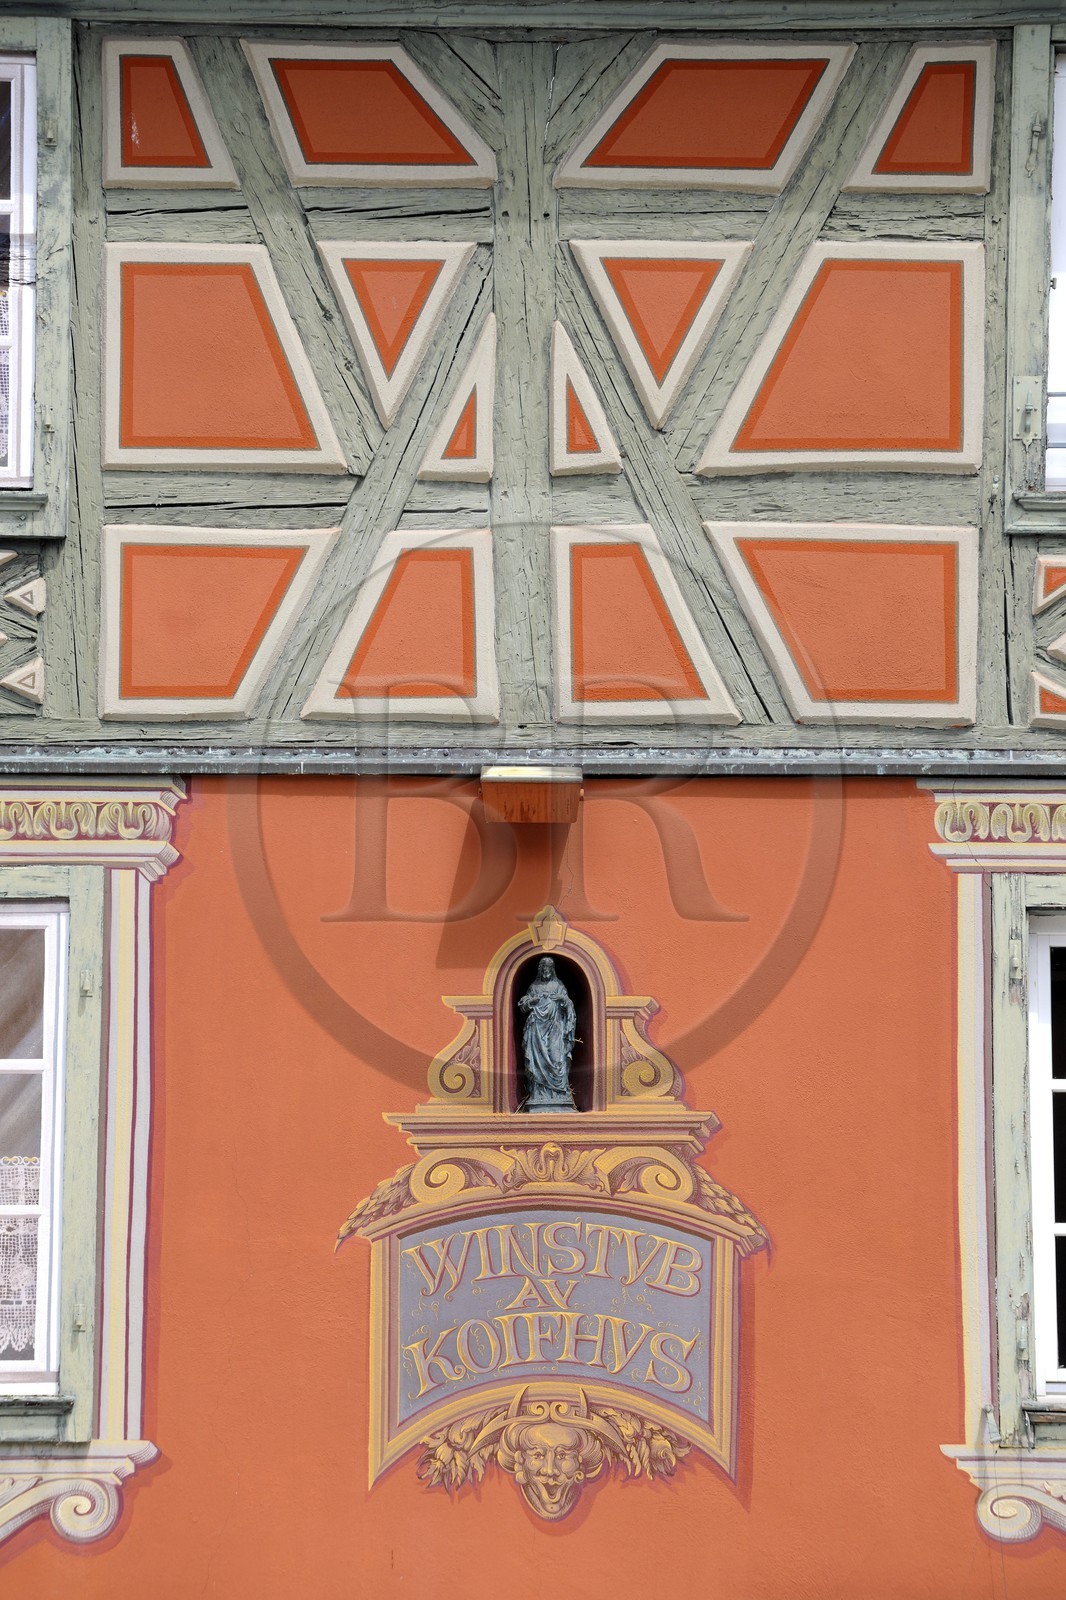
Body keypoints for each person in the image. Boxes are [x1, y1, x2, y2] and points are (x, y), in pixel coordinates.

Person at [518, 956, 576, 1111]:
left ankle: (559, 1093)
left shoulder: (558, 985)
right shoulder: (534, 986)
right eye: (543, 968)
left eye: (549, 968)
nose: (546, 971)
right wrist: (531, 1001)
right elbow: (523, 1003)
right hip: (536, 1027)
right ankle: (538, 1093)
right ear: (540, 970)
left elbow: (569, 1004)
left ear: (552, 970)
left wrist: (562, 999)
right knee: (537, 1060)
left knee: (557, 1058)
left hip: (555, 1026)